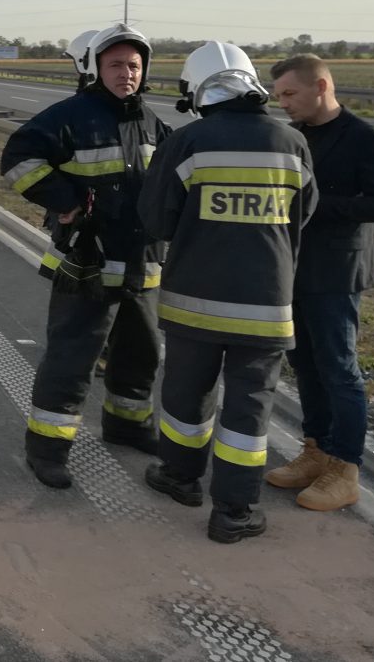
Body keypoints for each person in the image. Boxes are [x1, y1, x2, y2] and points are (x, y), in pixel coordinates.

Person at [139, 42, 316, 544]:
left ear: (197, 90)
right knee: (248, 410)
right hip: (266, 306)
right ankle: (234, 512)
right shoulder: (292, 142)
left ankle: (179, 478)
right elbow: (304, 215)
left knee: (184, 395)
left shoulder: (187, 142)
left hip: (194, 301)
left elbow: (156, 219)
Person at [1, 23, 170, 489]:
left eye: (134, 65)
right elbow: (17, 160)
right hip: (87, 265)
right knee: (72, 361)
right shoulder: (69, 116)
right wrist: (66, 202)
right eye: (116, 64)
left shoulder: (153, 122)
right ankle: (48, 450)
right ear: (96, 68)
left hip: (143, 265)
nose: (127, 73)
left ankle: (128, 425)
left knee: (140, 357)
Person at [264, 54, 374, 510]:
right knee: (304, 363)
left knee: (340, 369)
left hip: (337, 274)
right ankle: (315, 450)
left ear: (320, 86)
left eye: (289, 94)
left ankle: (345, 467)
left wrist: (315, 206)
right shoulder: (292, 137)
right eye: (278, 95)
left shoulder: (364, 137)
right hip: (293, 267)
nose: (281, 103)